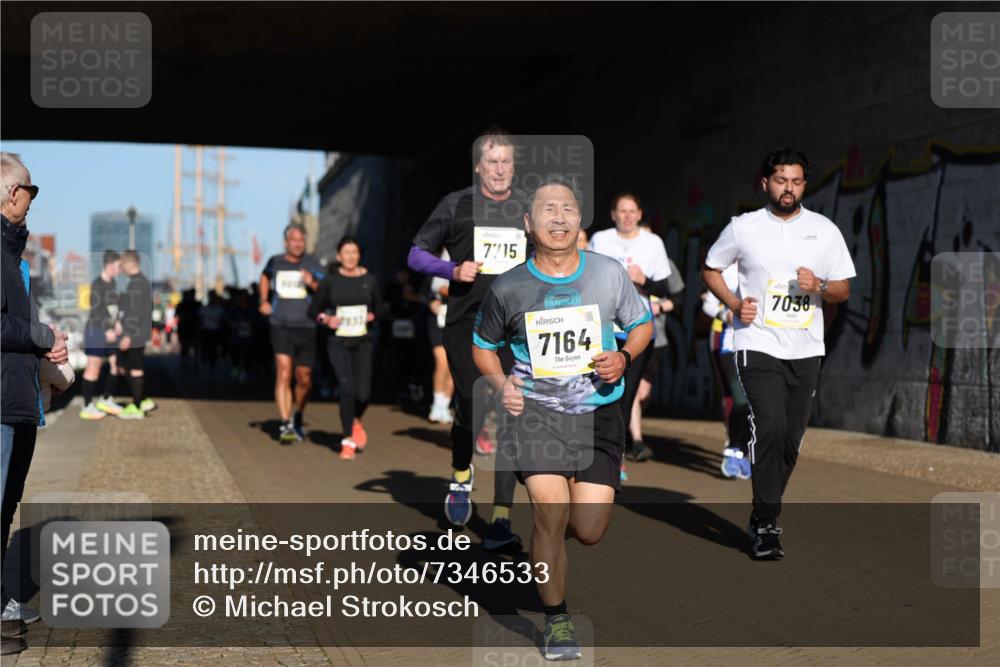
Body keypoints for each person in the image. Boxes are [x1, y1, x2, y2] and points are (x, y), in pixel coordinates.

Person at [473, 175, 653, 660]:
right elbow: (483, 347)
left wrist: (624, 357)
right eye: (548, 210)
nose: (559, 218)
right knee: (549, 516)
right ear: (528, 223)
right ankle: (557, 621)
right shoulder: (508, 286)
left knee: (588, 530)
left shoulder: (608, 272)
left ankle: (557, 541)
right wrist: (503, 384)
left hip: (598, 413)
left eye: (568, 209)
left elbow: (641, 324)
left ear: (581, 219)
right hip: (537, 416)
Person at [703, 148, 855, 560]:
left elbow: (844, 288)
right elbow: (710, 268)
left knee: (790, 438)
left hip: (806, 347)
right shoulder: (743, 227)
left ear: (805, 185)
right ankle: (767, 522)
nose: (788, 188)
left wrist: (820, 285)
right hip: (757, 342)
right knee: (768, 424)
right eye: (781, 180)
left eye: (797, 181)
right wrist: (735, 306)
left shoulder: (824, 230)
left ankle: (763, 510)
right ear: (765, 182)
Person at [407, 128, 525, 551]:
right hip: (466, 323)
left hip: (516, 328)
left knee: (513, 412)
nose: (498, 169)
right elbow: (416, 253)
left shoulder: (528, 207)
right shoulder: (455, 204)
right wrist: (453, 271)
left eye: (505, 161)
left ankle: (501, 517)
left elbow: (555, 250)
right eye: (491, 161)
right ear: (478, 166)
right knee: (473, 406)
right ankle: (461, 474)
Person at [1, 152, 67, 655]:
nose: (31, 199)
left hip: (16, 399)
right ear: (11, 194)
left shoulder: (12, 253)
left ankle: (3, 606)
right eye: (31, 190)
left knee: (6, 509)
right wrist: (43, 336)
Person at [588, 193, 672, 463]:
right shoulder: (600, 240)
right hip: (603, 326)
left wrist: (643, 279)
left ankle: (616, 454)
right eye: (621, 211)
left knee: (628, 392)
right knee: (600, 389)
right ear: (613, 214)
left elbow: (665, 288)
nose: (626, 216)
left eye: (631, 211)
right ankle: (603, 450)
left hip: (637, 327)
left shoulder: (653, 243)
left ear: (639, 214)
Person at [309, 237, 383, 459]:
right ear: (339, 256)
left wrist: (374, 315)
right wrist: (326, 319)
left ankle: (356, 419)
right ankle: (347, 440)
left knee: (364, 392)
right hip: (338, 341)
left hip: (363, 341)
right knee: (347, 387)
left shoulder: (370, 280)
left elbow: (381, 308)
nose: (350, 256)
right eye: (346, 252)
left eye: (354, 252)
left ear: (359, 255)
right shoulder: (330, 281)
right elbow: (313, 311)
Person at [259, 223, 325, 444]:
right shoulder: (275, 262)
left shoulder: (312, 263)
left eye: (301, 240)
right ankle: (285, 422)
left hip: (307, 327)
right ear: (286, 242)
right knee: (284, 373)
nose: (297, 244)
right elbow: (265, 277)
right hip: (280, 325)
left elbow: (325, 290)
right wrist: (263, 301)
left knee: (304, 379)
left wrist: (312, 282)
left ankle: (298, 414)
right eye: (293, 240)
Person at [702, 263, 752, 480]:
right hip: (727, 341)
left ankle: (744, 451)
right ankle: (732, 448)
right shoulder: (726, 271)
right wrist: (727, 315)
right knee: (737, 398)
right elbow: (708, 303)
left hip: (760, 344)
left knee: (755, 400)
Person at [78, 250, 123, 420]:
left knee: (116, 366)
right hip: (96, 332)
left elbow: (114, 309)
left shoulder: (113, 284)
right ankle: (87, 405)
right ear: (110, 265)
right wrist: (107, 329)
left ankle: (105, 399)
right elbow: (97, 309)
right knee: (93, 369)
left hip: (110, 332)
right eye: (118, 266)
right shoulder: (97, 284)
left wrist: (117, 322)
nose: (119, 270)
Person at [115, 250, 154, 419]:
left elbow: (136, 312)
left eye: (122, 264)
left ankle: (137, 407)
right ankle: (142, 400)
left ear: (130, 263)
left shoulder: (138, 283)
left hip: (135, 335)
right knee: (125, 367)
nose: (121, 268)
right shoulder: (139, 282)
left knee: (135, 369)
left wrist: (128, 335)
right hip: (136, 333)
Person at [427, 254, 454, 424]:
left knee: (454, 365)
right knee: (442, 362)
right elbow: (437, 287)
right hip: (438, 320)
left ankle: (445, 405)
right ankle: (436, 404)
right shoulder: (441, 264)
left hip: (458, 319)